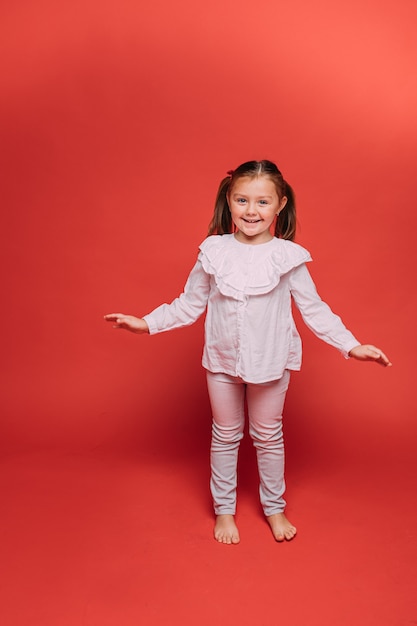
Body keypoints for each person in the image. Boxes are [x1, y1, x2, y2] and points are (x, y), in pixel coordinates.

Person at [104, 160, 391, 545]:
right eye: (242, 200)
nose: (251, 211)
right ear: (229, 200)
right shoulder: (213, 251)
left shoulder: (287, 257)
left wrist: (350, 344)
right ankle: (224, 509)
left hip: (271, 363)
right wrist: (147, 322)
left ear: (280, 205)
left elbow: (314, 308)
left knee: (269, 436)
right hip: (222, 362)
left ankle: (274, 507)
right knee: (225, 434)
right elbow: (189, 303)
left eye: (262, 202)